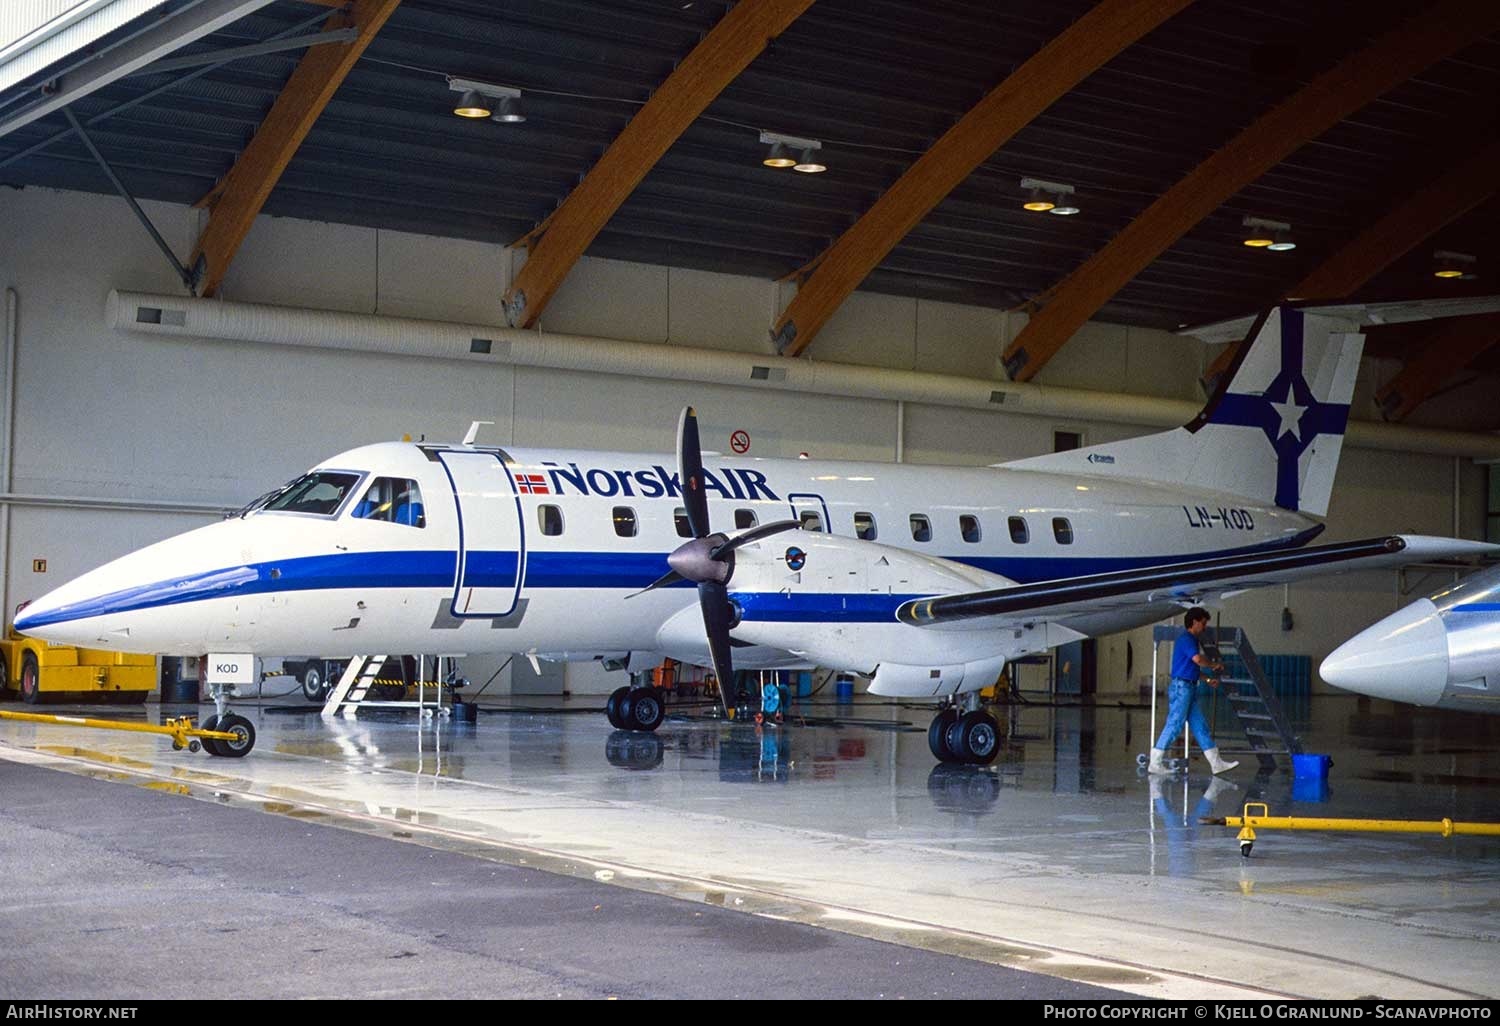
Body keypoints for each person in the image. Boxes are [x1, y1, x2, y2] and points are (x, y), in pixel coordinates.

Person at [1149, 607, 1239, 775]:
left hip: (1188, 686)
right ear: (1195, 622)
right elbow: (1197, 660)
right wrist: (1214, 665)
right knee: (1175, 724)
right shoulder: (1187, 639)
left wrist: (1206, 679)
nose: (1204, 627)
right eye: (1203, 623)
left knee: (1199, 725)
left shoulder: (1190, 640)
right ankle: (1155, 761)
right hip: (1182, 688)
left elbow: (1190, 669)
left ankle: (1216, 762)